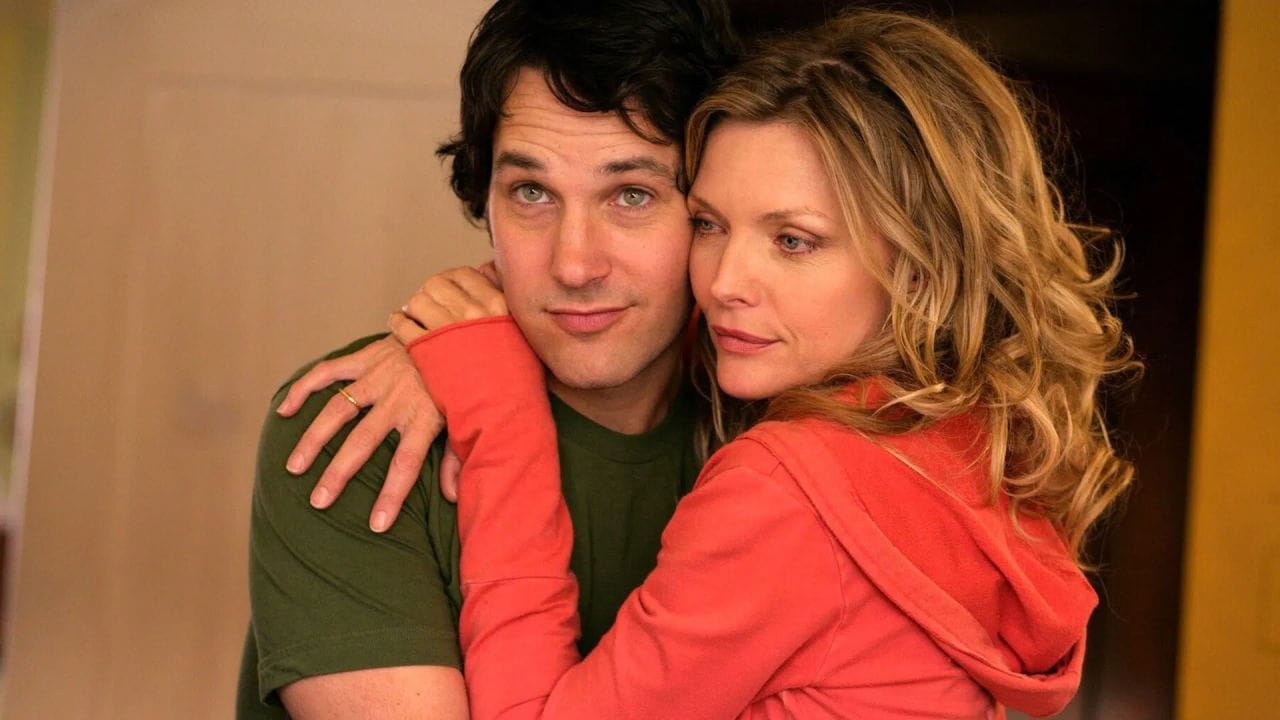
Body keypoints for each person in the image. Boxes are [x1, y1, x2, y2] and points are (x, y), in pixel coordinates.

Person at [383, 9, 1137, 718]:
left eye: (793, 241)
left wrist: (500, 408)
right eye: (710, 225)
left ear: (918, 266)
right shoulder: (957, 455)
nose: (723, 284)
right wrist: (483, 323)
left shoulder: (788, 491)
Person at [235, 1, 737, 717]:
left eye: (631, 195)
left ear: (715, 212)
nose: (573, 264)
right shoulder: (364, 425)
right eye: (532, 193)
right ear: (485, 196)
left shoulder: (773, 419)